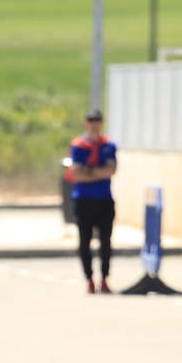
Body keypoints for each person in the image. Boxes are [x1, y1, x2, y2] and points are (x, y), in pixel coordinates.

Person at [71, 108, 117, 294]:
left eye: (97, 120)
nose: (94, 124)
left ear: (101, 123)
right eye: (91, 120)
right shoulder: (79, 145)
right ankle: (89, 279)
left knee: (105, 242)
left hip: (104, 199)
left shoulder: (109, 145)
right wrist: (98, 172)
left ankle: (104, 278)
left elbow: (111, 171)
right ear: (86, 123)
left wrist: (88, 171)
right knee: (85, 242)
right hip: (84, 200)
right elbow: (76, 174)